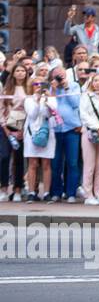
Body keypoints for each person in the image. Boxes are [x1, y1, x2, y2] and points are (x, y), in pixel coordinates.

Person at [48, 66, 82, 203]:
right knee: (56, 163)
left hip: (71, 128)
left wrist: (67, 88)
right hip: (55, 130)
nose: (60, 77)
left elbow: (75, 104)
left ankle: (71, 193)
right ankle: (56, 192)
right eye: (57, 75)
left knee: (72, 162)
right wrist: (54, 90)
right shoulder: (51, 88)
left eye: (62, 74)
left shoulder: (74, 86)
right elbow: (50, 106)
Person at [80, 71, 99, 205]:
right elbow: (83, 115)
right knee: (89, 166)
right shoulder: (86, 96)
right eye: (95, 80)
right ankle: (88, 195)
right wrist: (97, 126)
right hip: (89, 134)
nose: (98, 83)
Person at [23, 75, 55, 202]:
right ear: (31, 86)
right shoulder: (28, 99)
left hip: (47, 133)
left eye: (41, 84)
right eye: (36, 84)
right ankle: (31, 192)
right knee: (32, 164)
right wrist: (36, 100)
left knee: (47, 164)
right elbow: (32, 114)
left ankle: (46, 192)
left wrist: (48, 99)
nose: (38, 87)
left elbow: (51, 112)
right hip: (31, 134)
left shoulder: (49, 98)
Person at [1, 63, 29, 200]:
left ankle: (18, 189)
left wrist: (23, 129)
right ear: (13, 73)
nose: (20, 73)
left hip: (22, 122)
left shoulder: (29, 88)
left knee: (19, 159)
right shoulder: (6, 88)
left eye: (22, 70)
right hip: (7, 123)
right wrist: (5, 128)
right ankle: (4, 188)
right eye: (17, 70)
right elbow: (1, 109)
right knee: (4, 157)